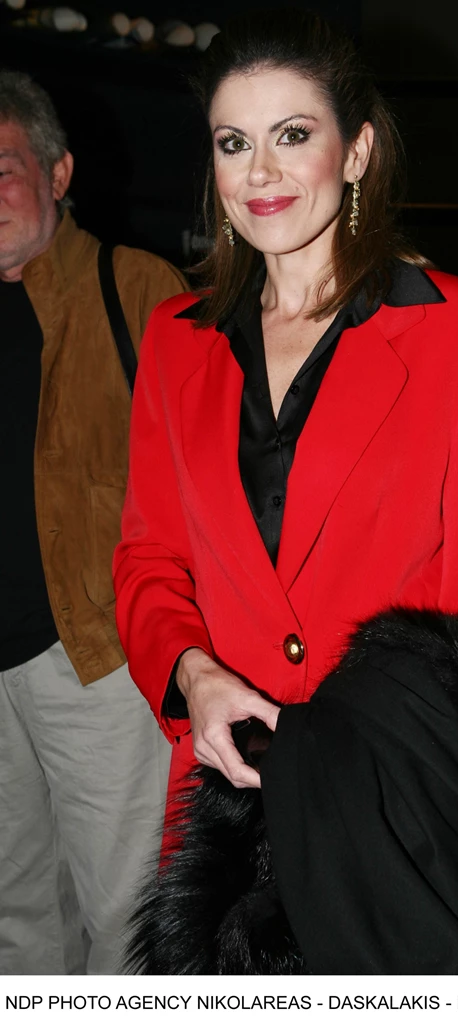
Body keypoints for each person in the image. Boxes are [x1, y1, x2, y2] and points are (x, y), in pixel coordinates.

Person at [113, 10, 458, 817]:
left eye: (293, 135)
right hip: (227, 782)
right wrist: (193, 675)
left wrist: (373, 747)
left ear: (358, 151)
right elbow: (148, 558)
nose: (260, 172)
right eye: (234, 143)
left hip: (397, 782)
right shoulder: (175, 338)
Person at [0, 71, 187, 974]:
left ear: (59, 172)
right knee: (14, 913)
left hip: (98, 660)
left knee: (125, 918)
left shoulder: (138, 288)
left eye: (2, 169)